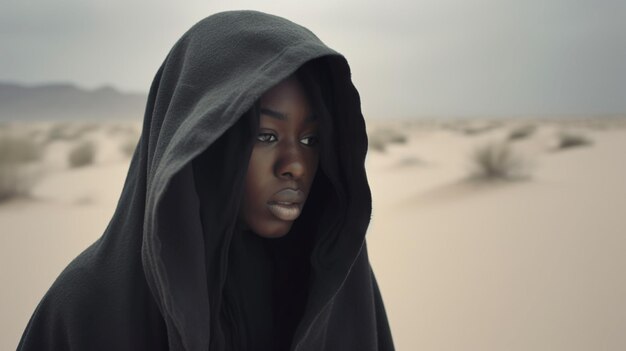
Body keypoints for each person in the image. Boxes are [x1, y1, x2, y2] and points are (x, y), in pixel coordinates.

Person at [18, 10, 394, 351]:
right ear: (205, 143)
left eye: (311, 139)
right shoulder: (87, 307)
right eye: (265, 136)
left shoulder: (339, 285)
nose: (295, 165)